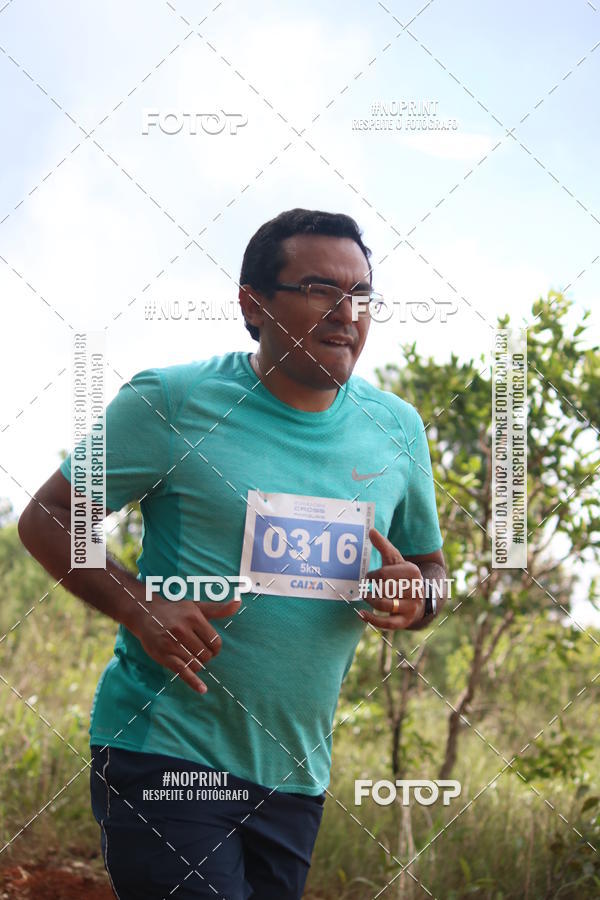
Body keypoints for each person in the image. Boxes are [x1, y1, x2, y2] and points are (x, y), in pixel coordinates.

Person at [18, 208, 447, 899]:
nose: (347, 313)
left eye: (362, 294)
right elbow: (47, 515)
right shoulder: (173, 402)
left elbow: (431, 569)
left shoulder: (394, 429)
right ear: (253, 304)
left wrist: (418, 595)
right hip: (165, 750)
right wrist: (140, 607)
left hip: (295, 773)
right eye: (319, 290)